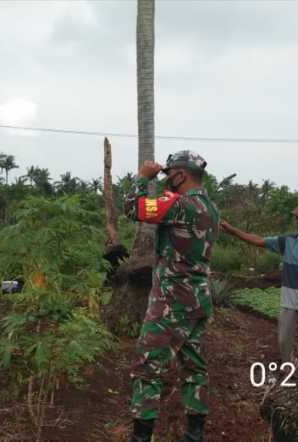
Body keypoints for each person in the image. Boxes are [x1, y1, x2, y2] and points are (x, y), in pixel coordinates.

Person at [124, 151, 220, 442]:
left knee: (147, 367)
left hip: (172, 302)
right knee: (193, 367)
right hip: (198, 299)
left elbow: (134, 209)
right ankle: (195, 434)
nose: (167, 180)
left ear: (181, 174)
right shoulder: (210, 207)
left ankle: (141, 437)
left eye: (169, 175)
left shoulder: (180, 204)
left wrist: (143, 177)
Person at [220, 200, 298, 363]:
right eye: (297, 218)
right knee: (284, 342)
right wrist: (233, 231)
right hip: (289, 305)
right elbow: (259, 241)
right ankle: (289, 372)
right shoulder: (288, 241)